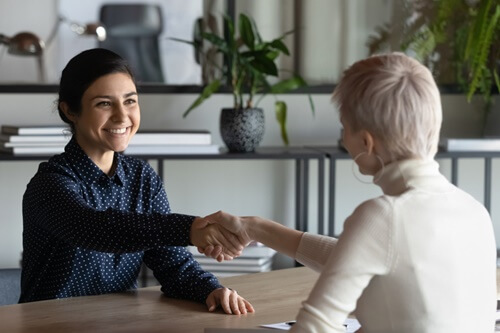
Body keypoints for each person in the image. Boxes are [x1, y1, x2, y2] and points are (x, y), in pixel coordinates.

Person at [201, 53, 497, 331]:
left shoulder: (384, 216)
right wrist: (254, 228)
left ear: (367, 142)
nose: (343, 138)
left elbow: (314, 326)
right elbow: (362, 257)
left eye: (344, 128)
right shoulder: (474, 211)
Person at [20, 48, 254, 315]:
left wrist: (211, 290)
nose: (122, 116)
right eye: (104, 103)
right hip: (48, 326)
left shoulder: (142, 178)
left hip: (121, 323)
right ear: (70, 111)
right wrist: (191, 228)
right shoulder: (50, 183)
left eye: (130, 101)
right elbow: (97, 228)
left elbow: (171, 262)